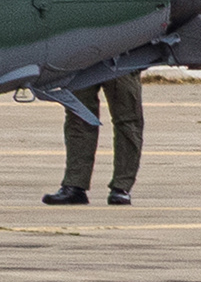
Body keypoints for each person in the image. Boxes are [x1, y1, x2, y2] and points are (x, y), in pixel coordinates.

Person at [46, 75, 143, 206]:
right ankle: (75, 185)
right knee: (78, 118)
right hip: (82, 59)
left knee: (128, 120)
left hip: (121, 58)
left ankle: (122, 187)